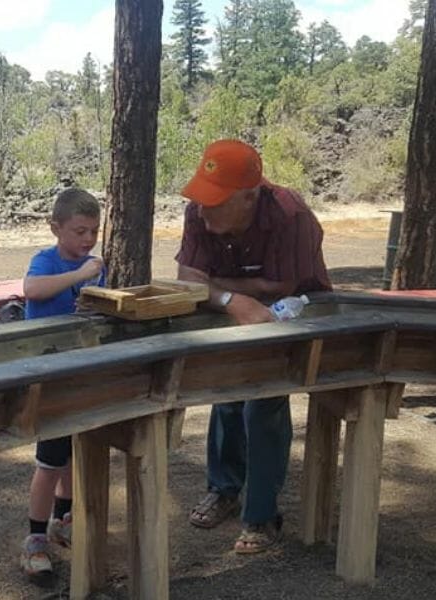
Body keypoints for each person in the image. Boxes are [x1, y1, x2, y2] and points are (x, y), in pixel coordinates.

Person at [175, 139, 332, 554]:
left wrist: (214, 286)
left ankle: (262, 514)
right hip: (231, 311)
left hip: (298, 313)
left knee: (263, 401)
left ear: (249, 197)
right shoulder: (198, 210)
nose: (203, 208)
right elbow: (187, 280)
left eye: (216, 201)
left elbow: (281, 286)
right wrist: (232, 298)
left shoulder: (290, 214)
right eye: (202, 198)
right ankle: (224, 488)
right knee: (224, 393)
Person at [19, 188, 105, 577]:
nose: (87, 240)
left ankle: (63, 518)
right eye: (79, 231)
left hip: (80, 370)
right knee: (50, 459)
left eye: (93, 232)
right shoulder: (47, 261)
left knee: (74, 450)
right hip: (48, 373)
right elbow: (32, 290)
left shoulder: (92, 264)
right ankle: (34, 538)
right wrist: (79, 274)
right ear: (56, 228)